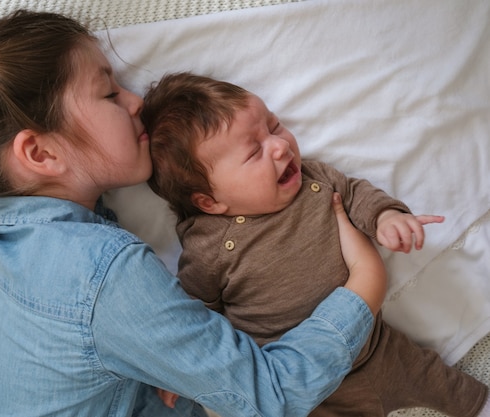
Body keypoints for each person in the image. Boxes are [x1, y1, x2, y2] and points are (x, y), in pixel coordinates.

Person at [0, 10, 386, 417]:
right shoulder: (104, 273)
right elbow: (271, 395)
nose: (136, 100)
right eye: (109, 94)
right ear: (40, 153)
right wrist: (365, 284)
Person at [142, 72, 490, 417]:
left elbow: (354, 193)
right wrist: (181, 369)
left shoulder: (314, 180)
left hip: (376, 346)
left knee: (441, 382)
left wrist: (386, 217)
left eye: (274, 126)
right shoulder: (210, 248)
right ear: (210, 202)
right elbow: (196, 315)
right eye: (253, 152)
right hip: (307, 385)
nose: (280, 146)